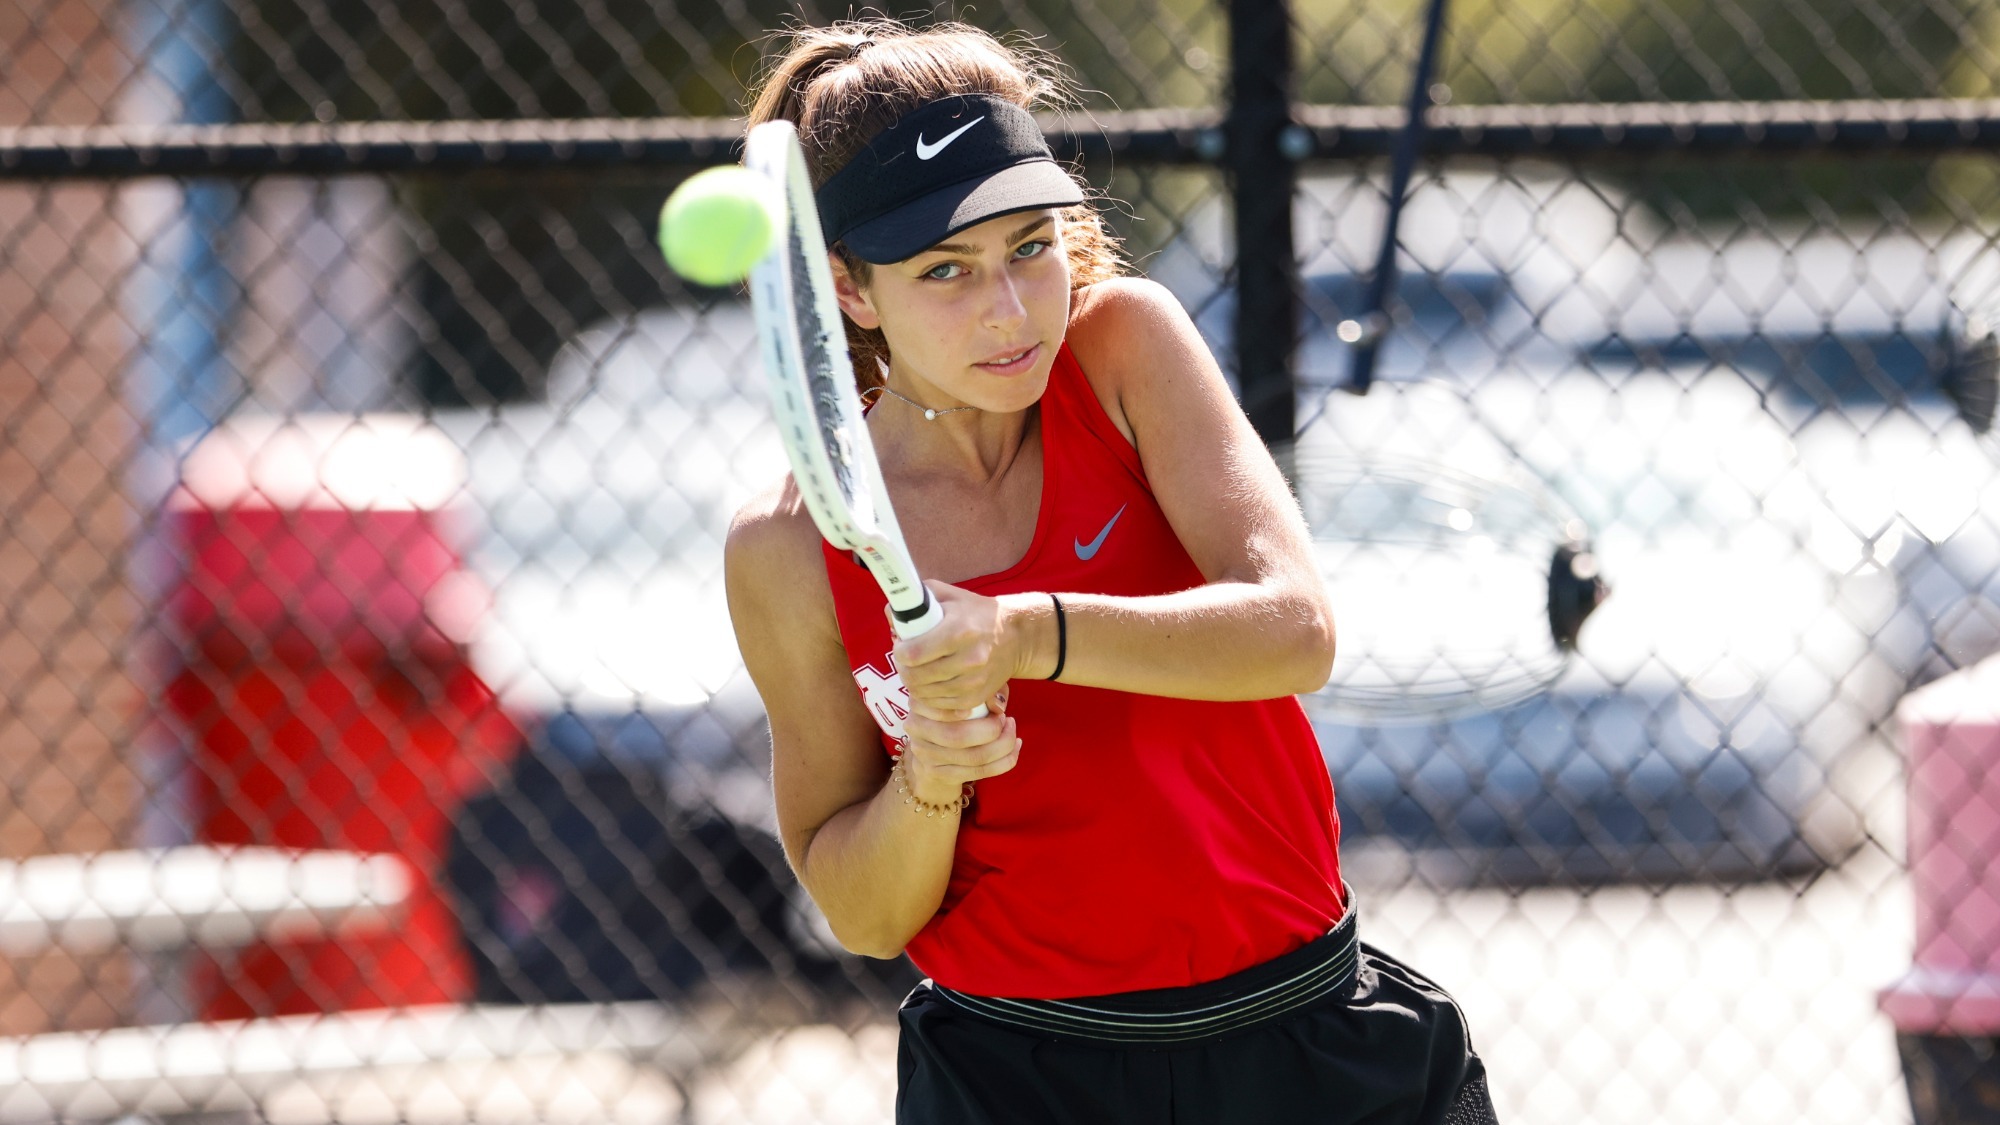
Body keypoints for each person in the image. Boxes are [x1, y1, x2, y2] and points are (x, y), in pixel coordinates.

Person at [724, 18, 1497, 1124]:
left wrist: (1024, 634)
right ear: (849, 291)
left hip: (1305, 1042)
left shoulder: (1124, 346)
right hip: (1013, 1078)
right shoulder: (785, 547)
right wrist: (931, 770)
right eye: (945, 270)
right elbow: (863, 913)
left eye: (1029, 245)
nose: (1008, 308)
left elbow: (1293, 630)